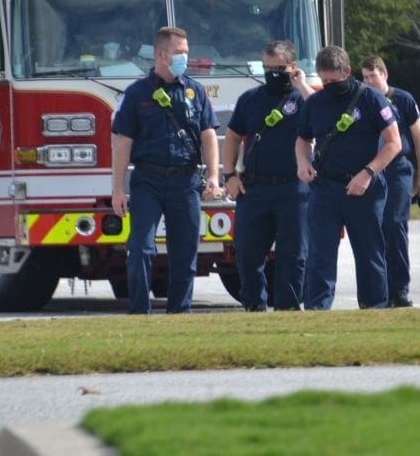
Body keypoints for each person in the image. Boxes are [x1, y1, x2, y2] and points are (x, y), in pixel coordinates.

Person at [111, 26, 221, 314]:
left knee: (185, 253)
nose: (185, 57)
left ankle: (179, 313)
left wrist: (212, 176)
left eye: (186, 51)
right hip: (148, 180)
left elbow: (208, 134)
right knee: (140, 248)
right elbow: (123, 143)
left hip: (185, 181)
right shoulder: (136, 94)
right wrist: (118, 189)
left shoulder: (194, 91)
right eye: (179, 52)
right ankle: (140, 312)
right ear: (161, 55)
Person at [296, 45, 401, 309]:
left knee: (369, 252)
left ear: (348, 72)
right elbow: (302, 138)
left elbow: (393, 142)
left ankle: (374, 307)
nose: (329, 85)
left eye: (334, 80)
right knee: (320, 252)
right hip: (326, 186)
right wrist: (302, 163)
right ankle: (318, 308)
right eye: (324, 80)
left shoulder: (371, 99)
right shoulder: (315, 103)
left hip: (365, 187)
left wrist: (367, 173)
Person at [221, 41, 314, 311]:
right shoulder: (250, 99)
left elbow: (323, 114)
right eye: (267, 68)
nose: (272, 73)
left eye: (279, 68)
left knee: (293, 255)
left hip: (293, 189)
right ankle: (254, 306)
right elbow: (233, 137)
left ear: (293, 68)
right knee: (248, 253)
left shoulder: (303, 98)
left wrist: (301, 85)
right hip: (255, 189)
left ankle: (287, 308)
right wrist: (230, 175)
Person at [360, 55, 420, 308]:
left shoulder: (402, 99)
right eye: (365, 77)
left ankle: (399, 289)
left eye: (373, 76)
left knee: (395, 225)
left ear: (384, 74)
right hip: (371, 169)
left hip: (398, 169)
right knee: (372, 228)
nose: (369, 81)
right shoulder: (362, 100)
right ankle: (378, 289)